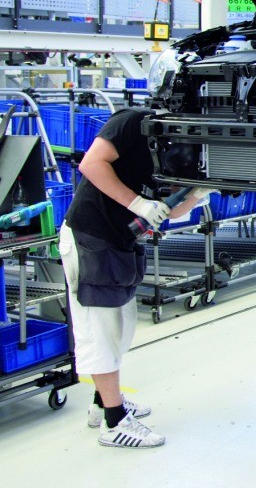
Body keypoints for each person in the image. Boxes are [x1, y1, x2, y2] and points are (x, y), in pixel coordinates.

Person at [59, 106, 214, 449]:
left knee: (119, 328)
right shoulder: (134, 121)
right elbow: (91, 164)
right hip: (91, 235)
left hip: (120, 241)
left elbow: (168, 209)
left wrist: (197, 194)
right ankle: (114, 424)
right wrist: (138, 204)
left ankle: (103, 404)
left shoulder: (184, 144)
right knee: (100, 330)